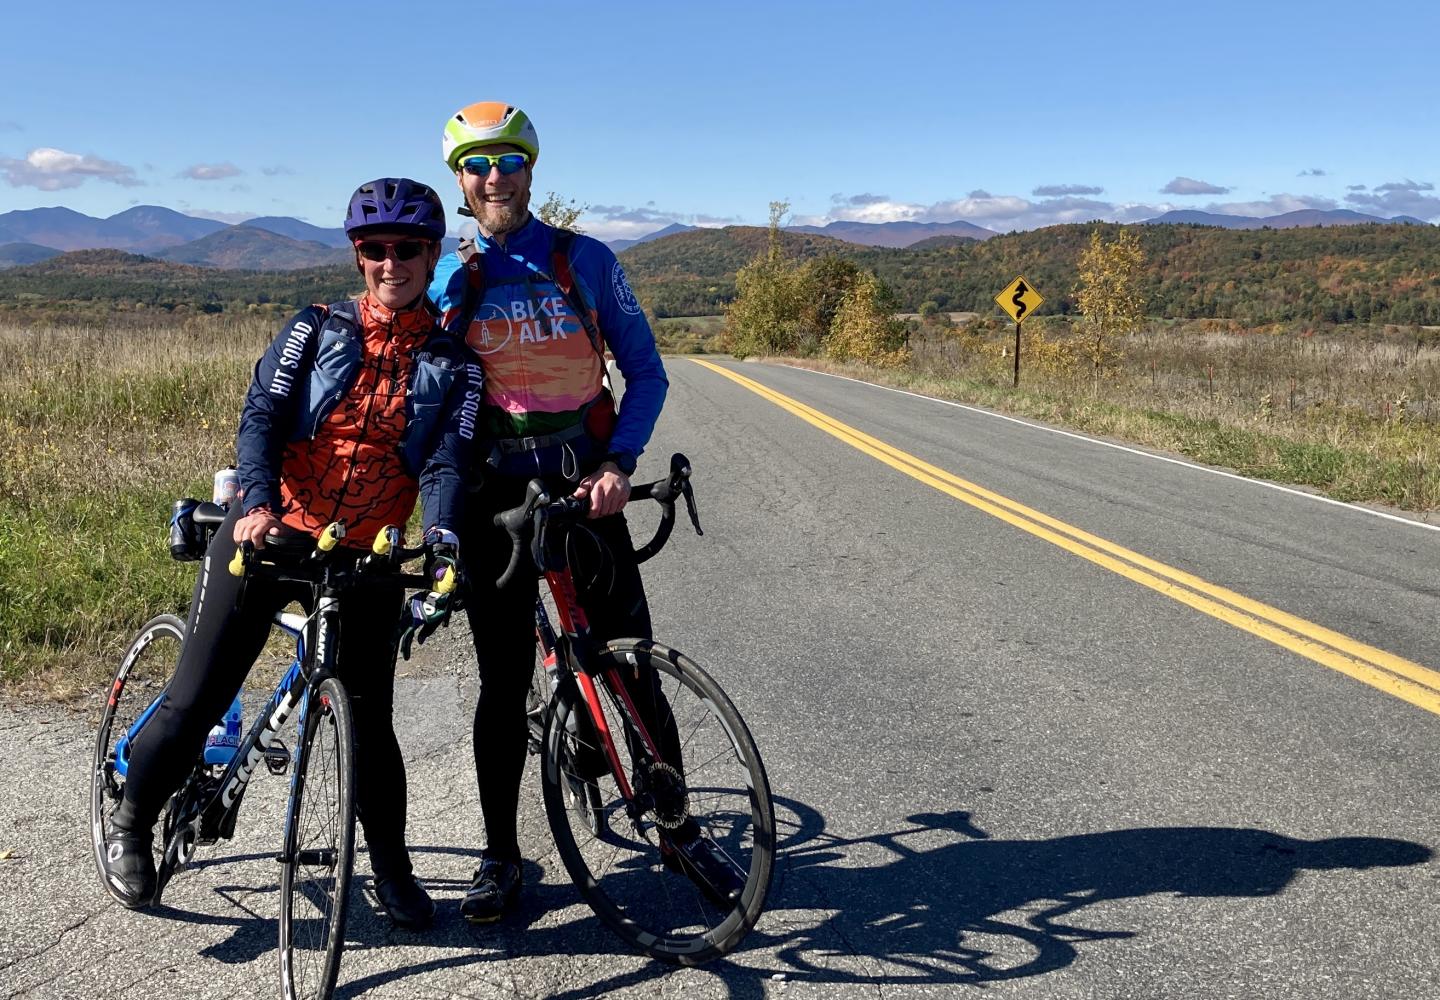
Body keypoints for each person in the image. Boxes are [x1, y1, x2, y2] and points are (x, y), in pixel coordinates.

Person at [99, 178, 480, 930]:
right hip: (269, 533)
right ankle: (132, 822)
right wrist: (259, 505)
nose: (390, 262)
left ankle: (391, 868)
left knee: (371, 726)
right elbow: (264, 414)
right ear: (358, 255)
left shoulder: (455, 365)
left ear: (431, 255)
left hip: (364, 554)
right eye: (375, 249)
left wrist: (441, 535)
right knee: (199, 696)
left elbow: (446, 463)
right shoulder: (314, 328)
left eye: (407, 249)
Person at [428, 101, 741, 923]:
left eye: (509, 162)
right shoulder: (443, 275)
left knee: (629, 662)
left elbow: (647, 371)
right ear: (460, 178)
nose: (494, 177)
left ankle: (678, 824)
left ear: (531, 169)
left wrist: (618, 462)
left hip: (584, 487)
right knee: (502, 684)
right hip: (495, 499)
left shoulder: (586, 263)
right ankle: (500, 857)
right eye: (478, 164)